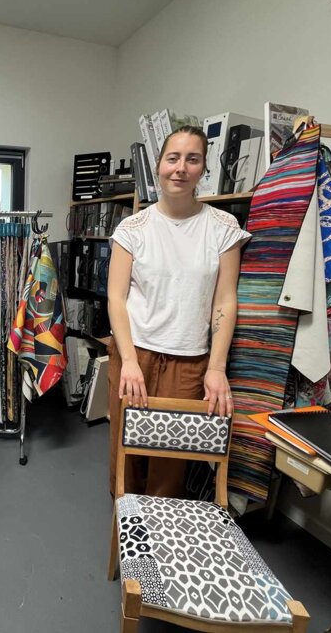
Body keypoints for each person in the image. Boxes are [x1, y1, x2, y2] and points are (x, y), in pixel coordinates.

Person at [107, 125, 251, 497]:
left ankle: (160, 537)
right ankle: (129, 538)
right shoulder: (133, 228)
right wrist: (130, 361)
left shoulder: (223, 227)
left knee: (170, 459)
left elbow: (225, 301)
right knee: (126, 456)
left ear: (203, 168)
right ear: (159, 165)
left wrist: (216, 368)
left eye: (192, 159)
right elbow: (116, 298)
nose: (180, 168)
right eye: (173, 158)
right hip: (134, 353)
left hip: (189, 361)